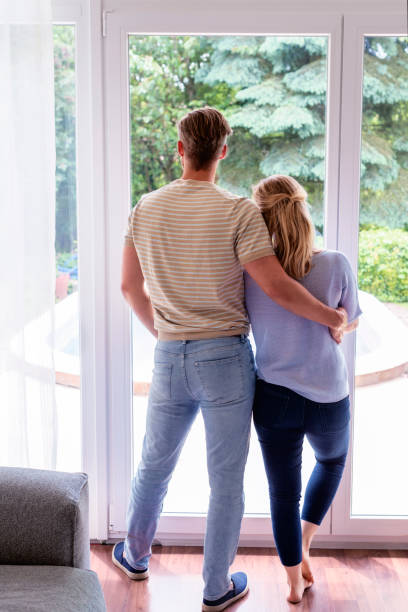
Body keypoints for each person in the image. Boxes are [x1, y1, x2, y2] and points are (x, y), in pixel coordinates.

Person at [113, 108, 346, 612]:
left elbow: (130, 287)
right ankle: (215, 587)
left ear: (180, 149)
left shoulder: (145, 208)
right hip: (225, 362)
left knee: (154, 464)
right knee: (225, 479)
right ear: (222, 151)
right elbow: (278, 287)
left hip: (170, 355)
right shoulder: (238, 211)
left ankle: (134, 556)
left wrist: (169, 334)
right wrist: (332, 316)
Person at [245, 175, 362, 604]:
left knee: (282, 492)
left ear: (260, 217)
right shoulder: (335, 263)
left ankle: (294, 580)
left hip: (273, 396)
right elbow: (349, 318)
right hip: (329, 396)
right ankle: (307, 541)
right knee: (331, 462)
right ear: (303, 209)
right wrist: (338, 325)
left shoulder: (251, 272)